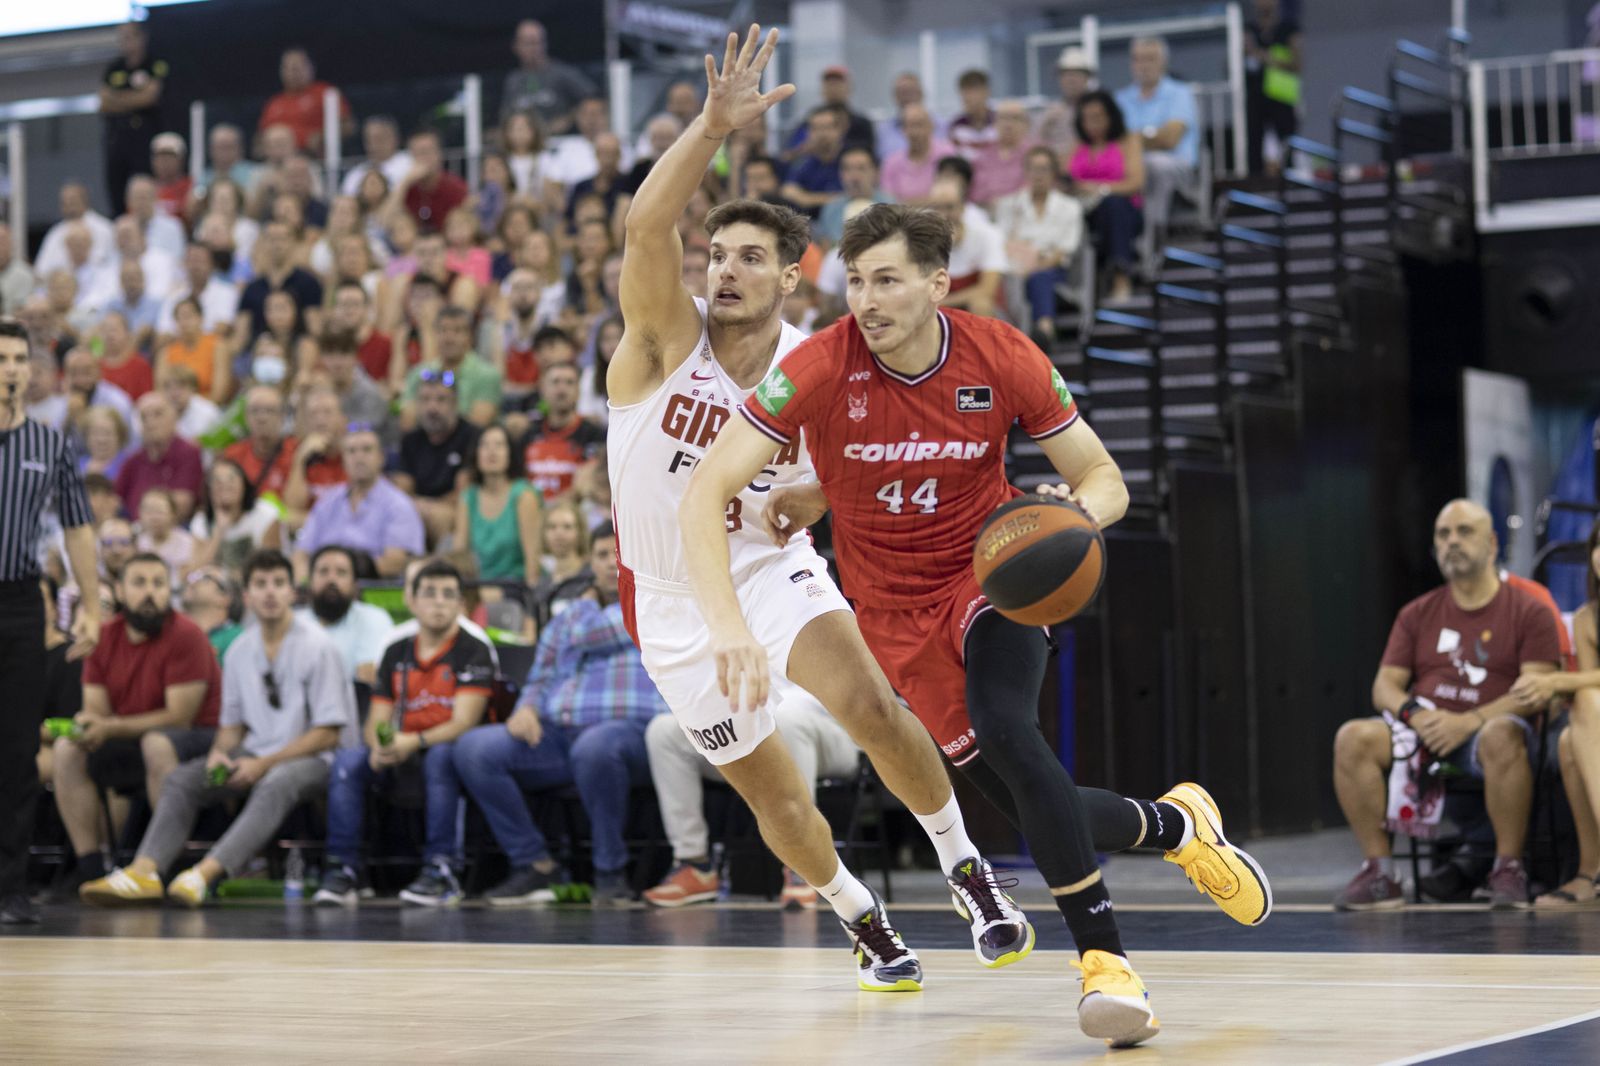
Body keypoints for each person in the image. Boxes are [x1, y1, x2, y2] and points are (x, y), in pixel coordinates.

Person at [689, 202, 1272, 1044]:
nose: (867, 300)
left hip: (987, 576)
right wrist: (786, 540)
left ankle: (1107, 968)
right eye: (854, 281)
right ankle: (1178, 825)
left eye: (886, 280)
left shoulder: (1001, 354)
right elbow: (712, 484)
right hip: (890, 616)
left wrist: (1078, 513)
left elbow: (1104, 478)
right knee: (1032, 800)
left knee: (1008, 729)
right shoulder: (818, 365)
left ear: (938, 282)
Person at [613, 27, 1032, 994]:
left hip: (766, 568)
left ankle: (964, 868)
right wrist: (711, 130)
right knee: (772, 792)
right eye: (715, 254)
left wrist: (819, 494)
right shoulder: (663, 341)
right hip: (668, 598)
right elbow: (645, 232)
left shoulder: (827, 363)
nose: (721, 270)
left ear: (790, 275)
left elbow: (882, 466)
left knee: (873, 708)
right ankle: (859, 914)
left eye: (748, 258)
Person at [81, 549, 353, 906]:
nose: (270, 592)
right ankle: (145, 871)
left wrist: (263, 763)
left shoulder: (320, 646)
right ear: (246, 596)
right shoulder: (240, 649)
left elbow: (328, 734)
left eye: (279, 583)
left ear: (293, 592)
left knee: (276, 781)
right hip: (255, 752)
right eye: (260, 584)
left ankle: (203, 875)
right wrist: (219, 754)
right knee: (184, 779)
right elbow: (232, 725)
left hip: (319, 760)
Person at [1331, 499, 1563, 911]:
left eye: (1464, 531)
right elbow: (1384, 686)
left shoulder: (1530, 611)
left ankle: (1508, 868)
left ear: (1492, 543)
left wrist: (1469, 721)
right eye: (1443, 534)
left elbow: (1537, 691)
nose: (1452, 541)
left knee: (1501, 733)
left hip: (1491, 733)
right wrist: (1416, 716)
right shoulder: (1417, 613)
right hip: (1424, 730)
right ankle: (1381, 874)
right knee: (1353, 737)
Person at [453, 523, 662, 904]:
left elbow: (593, 634)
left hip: (628, 736)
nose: (611, 563)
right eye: (602, 554)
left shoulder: (651, 603)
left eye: (619, 553)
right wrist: (526, 709)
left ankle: (609, 873)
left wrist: (582, 606)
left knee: (596, 748)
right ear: (590, 561)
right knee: (475, 750)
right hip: (558, 734)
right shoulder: (566, 617)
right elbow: (541, 672)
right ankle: (534, 865)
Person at [315, 559, 492, 907]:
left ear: (461, 604)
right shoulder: (396, 650)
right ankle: (344, 869)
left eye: (448, 594)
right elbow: (377, 718)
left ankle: (441, 869)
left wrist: (414, 741)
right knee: (349, 761)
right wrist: (378, 747)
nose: (439, 602)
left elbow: (464, 722)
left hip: (447, 748)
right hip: (402, 747)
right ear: (411, 601)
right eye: (429, 593)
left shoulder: (474, 648)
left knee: (442, 758)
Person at [0, 319, 101, 925]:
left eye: (19, 359)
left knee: (14, 750)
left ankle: (10, 886)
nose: (10, 368)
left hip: (17, 600)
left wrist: (90, 604)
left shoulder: (49, 443)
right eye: (1, 357)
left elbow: (78, 529)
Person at [52, 553, 220, 898]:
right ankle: (90, 867)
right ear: (120, 590)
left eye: (158, 584)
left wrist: (108, 727)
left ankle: (161, 865)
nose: (149, 593)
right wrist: (90, 727)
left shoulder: (187, 635)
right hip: (133, 736)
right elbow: (96, 711)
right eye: (139, 583)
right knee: (67, 748)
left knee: (157, 743)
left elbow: (180, 717)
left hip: (198, 739)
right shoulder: (103, 637)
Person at [643, 692, 860, 908]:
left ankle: (805, 867)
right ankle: (694, 863)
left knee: (783, 718)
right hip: (746, 725)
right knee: (664, 731)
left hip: (827, 726)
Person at [1527, 520, 1600, 906]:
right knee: (1571, 738)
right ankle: (1590, 871)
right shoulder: (1589, 617)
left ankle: (1591, 872)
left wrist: (1555, 683)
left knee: (1583, 706)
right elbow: (1590, 679)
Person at [293, 424, 425, 580]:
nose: (359, 457)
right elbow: (301, 554)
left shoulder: (398, 504)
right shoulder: (328, 501)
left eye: (367, 450)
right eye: (351, 451)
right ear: (343, 460)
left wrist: (343, 576)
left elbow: (395, 562)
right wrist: (304, 584)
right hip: (323, 590)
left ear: (381, 458)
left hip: (373, 589)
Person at [1115, 37, 1198, 256]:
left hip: (1177, 168)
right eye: (1138, 59)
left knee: (1152, 164)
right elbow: (1114, 143)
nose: (1143, 65)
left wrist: (1134, 139)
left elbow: (1170, 139)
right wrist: (1151, 136)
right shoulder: (1120, 99)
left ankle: (1151, 240)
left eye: (1150, 59)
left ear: (1163, 63)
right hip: (1132, 169)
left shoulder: (1180, 93)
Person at [995, 147, 1084, 342]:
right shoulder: (1009, 205)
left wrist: (1034, 266)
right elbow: (1001, 243)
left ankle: (1044, 330)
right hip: (1014, 268)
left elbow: (1063, 252)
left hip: (1055, 270)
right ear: (1026, 172)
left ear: (1054, 173)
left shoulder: (1069, 207)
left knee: (1039, 277)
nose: (1038, 175)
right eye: (1033, 169)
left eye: (1044, 169)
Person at [1070, 91, 1145, 304]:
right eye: (1086, 118)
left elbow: (1135, 183)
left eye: (1097, 117)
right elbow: (1065, 178)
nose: (1091, 124)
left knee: (1113, 207)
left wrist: (1099, 189)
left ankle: (1121, 279)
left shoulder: (1128, 141)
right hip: (1085, 211)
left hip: (1123, 210)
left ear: (1110, 117)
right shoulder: (1078, 146)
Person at [394, 374, 478, 544]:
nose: (432, 408)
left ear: (455, 404)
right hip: (418, 506)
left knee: (441, 516)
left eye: (441, 400)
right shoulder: (411, 440)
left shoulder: (471, 436)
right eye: (425, 400)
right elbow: (402, 487)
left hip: (453, 511)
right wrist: (419, 506)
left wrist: (429, 507)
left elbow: (464, 494)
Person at [456, 424, 543, 586]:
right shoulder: (468, 497)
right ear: (476, 453)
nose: (491, 452)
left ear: (510, 453)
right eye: (485, 445)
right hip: (478, 587)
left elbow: (533, 560)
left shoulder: (524, 495)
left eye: (499, 445)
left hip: (516, 587)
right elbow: (460, 556)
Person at [296, 544, 394, 685]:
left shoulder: (374, 619)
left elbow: (366, 685)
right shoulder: (295, 622)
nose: (331, 580)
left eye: (341, 572)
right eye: (323, 571)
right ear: (310, 581)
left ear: (355, 585)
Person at [99, 22, 168, 216]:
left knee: (145, 184)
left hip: (145, 138)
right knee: (117, 190)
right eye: (122, 38)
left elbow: (150, 96)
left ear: (142, 38)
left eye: (130, 37)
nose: (126, 43)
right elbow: (104, 103)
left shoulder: (153, 64)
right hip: (117, 138)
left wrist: (118, 99)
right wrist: (135, 99)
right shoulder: (114, 68)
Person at [400, 306, 501, 429]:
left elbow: (478, 424)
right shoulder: (418, 373)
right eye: (443, 330)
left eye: (457, 331)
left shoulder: (487, 375)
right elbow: (407, 422)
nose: (449, 338)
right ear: (435, 335)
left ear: (469, 336)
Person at [517, 361, 603, 500]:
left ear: (578, 391)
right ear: (542, 389)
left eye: (569, 383)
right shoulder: (529, 433)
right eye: (555, 382)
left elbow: (585, 487)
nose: (562, 389)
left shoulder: (594, 435)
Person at [115, 392, 204, 521]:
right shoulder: (133, 460)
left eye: (158, 414)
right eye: (144, 417)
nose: (150, 423)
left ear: (174, 418)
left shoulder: (188, 453)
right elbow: (114, 501)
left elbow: (183, 505)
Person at [925, 175, 1006, 318]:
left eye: (950, 207)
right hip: (941, 311)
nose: (943, 215)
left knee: (980, 303)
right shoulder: (922, 242)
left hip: (985, 314)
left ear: (963, 207)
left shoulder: (988, 235)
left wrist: (942, 303)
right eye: (937, 208)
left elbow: (987, 290)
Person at [499, 19, 599, 133]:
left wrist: (569, 119)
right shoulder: (513, 80)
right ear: (516, 46)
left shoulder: (561, 73)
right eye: (527, 43)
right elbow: (505, 117)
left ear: (545, 44)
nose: (532, 48)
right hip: (525, 143)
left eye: (536, 42)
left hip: (562, 141)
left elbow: (593, 98)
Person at [189, 456, 282, 574]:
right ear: (209, 489)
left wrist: (226, 576)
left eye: (231, 479)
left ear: (244, 484)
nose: (225, 485)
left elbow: (270, 567)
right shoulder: (201, 521)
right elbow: (193, 572)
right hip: (215, 588)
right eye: (217, 481)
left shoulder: (266, 514)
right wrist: (218, 532)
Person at [1244, 0, 1303, 175]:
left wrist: (1264, 56)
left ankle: (1292, 183)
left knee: (1287, 144)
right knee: (1254, 145)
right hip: (1255, 96)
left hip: (1282, 97)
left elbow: (1297, 63)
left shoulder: (1289, 28)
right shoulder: (1248, 28)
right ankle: (1254, 190)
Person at [257, 47, 353, 153]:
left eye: (297, 68)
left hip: (316, 158)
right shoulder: (274, 102)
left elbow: (348, 127)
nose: (293, 73)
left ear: (311, 68)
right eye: (287, 68)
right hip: (279, 162)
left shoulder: (325, 92)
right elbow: (259, 139)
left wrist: (322, 137)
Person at [223, 385, 298, 500]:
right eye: (255, 411)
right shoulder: (233, 455)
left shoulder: (296, 452)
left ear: (282, 416)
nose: (262, 418)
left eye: (270, 411)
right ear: (246, 417)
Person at [157, 296, 231, 405]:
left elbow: (220, 393)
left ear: (201, 318)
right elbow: (160, 391)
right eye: (179, 318)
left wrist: (196, 409)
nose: (184, 322)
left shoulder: (217, 346)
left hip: (208, 408)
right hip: (174, 410)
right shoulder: (166, 353)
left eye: (188, 316)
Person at [35, 182, 116, 280]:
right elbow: (41, 271)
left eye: (73, 201)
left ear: (85, 201)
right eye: (65, 203)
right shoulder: (55, 233)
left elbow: (114, 266)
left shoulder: (105, 229)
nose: (69, 207)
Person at [392, 130, 469, 233]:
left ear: (439, 154)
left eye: (426, 152)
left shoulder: (455, 187)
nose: (423, 159)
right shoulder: (407, 187)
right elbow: (384, 223)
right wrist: (404, 183)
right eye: (417, 154)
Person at [814, 146, 891, 247]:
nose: (854, 176)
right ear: (840, 174)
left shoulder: (890, 205)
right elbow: (825, 244)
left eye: (861, 168)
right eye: (847, 169)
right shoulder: (832, 207)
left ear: (875, 172)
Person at [880, 103, 953, 204]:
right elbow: (888, 204)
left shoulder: (947, 155)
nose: (915, 132)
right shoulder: (891, 163)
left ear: (931, 126)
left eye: (919, 125)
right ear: (903, 130)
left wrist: (905, 203)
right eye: (910, 126)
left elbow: (948, 199)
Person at [780, 106, 847, 214]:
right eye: (815, 128)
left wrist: (807, 198)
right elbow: (788, 191)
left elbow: (856, 194)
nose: (822, 134)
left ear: (839, 130)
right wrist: (833, 198)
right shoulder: (803, 162)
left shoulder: (852, 158)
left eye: (827, 127)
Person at [969, 101, 1036, 209]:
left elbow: (1033, 190)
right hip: (986, 213)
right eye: (1003, 118)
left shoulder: (1035, 154)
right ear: (995, 124)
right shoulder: (982, 156)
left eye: (1015, 118)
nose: (1008, 124)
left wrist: (1003, 203)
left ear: (1026, 124)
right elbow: (975, 192)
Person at [1037, 47, 1098, 160]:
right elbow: (1036, 144)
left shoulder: (1097, 110)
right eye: (1066, 74)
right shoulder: (1050, 111)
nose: (1071, 79)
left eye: (1076, 74)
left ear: (1087, 78)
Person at [180, 566, 243, 658]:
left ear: (224, 598)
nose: (192, 582)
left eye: (204, 578)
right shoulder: (176, 633)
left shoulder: (237, 639)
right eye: (192, 576)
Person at [135, 486, 197, 580]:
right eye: (149, 511)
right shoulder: (134, 541)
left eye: (160, 511)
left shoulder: (187, 542)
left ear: (172, 514)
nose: (154, 517)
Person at [948, 69, 997, 157]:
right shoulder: (956, 126)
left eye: (973, 91)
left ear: (986, 92)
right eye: (965, 92)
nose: (968, 97)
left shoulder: (999, 122)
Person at [0, 222, 36, 316]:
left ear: (11, 243)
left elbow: (23, 310)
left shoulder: (25, 274)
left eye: (2, 241)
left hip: (13, 328)